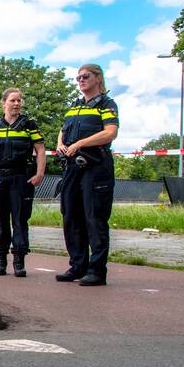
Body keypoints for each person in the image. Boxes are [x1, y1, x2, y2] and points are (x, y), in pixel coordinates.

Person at [55, 64, 119, 286]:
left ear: (98, 78)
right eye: (78, 78)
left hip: (95, 165)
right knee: (71, 216)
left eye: (85, 76)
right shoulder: (74, 106)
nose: (80, 80)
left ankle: (97, 271)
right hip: (72, 166)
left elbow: (110, 132)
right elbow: (63, 130)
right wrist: (61, 144)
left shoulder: (107, 104)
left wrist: (81, 143)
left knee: (95, 217)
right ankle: (77, 265)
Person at [0, 88, 46, 277]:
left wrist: (39, 174)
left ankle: (19, 261)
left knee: (20, 220)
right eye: (13, 100)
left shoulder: (29, 125)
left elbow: (40, 149)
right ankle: (0, 259)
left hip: (21, 178)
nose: (17, 104)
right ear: (4, 102)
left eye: (19, 100)